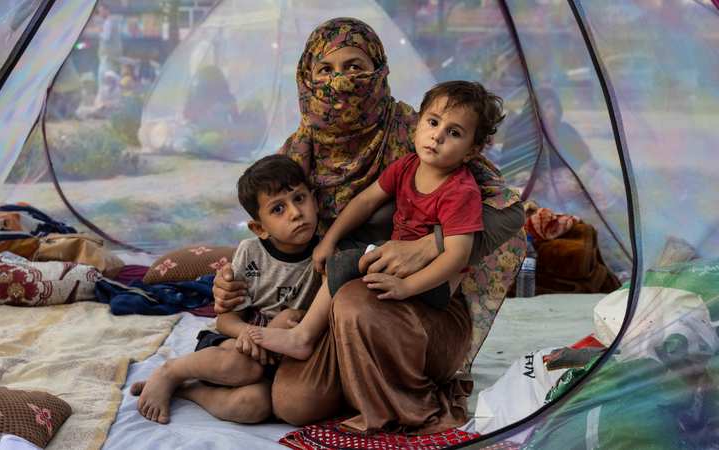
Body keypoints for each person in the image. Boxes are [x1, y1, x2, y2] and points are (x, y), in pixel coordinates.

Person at [213, 18, 526, 434]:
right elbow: (276, 236)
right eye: (326, 70)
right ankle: (354, 377)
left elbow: (511, 213)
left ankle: (395, 392)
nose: (342, 81)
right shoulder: (298, 153)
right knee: (292, 403)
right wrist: (231, 284)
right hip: (332, 305)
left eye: (355, 66)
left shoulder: (419, 136)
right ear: (307, 78)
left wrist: (426, 246)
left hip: (418, 306)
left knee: (355, 299)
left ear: (378, 70)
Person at [248, 80, 505, 362]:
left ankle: (303, 336)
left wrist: (408, 287)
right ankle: (318, 322)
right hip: (398, 254)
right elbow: (365, 201)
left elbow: (457, 256)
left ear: (471, 151)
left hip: (435, 282)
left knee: (346, 262)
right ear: (418, 123)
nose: (437, 136)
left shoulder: (459, 191)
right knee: (342, 248)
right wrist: (330, 240)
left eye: (454, 132)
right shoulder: (407, 166)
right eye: (432, 122)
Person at [129, 154, 323, 425]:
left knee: (254, 405)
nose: (295, 212)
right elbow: (226, 318)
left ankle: (189, 389)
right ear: (260, 228)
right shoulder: (251, 253)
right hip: (230, 347)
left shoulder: (327, 254)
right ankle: (171, 372)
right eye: (278, 209)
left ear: (314, 199)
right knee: (244, 366)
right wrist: (251, 335)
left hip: (278, 360)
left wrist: (276, 332)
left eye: (299, 198)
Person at [97, 5, 123, 94]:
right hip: (107, 56)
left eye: (101, 11)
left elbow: (106, 38)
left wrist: (100, 32)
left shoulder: (109, 22)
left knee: (106, 79)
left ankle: (105, 98)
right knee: (105, 78)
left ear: (107, 11)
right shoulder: (109, 22)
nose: (100, 13)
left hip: (108, 57)